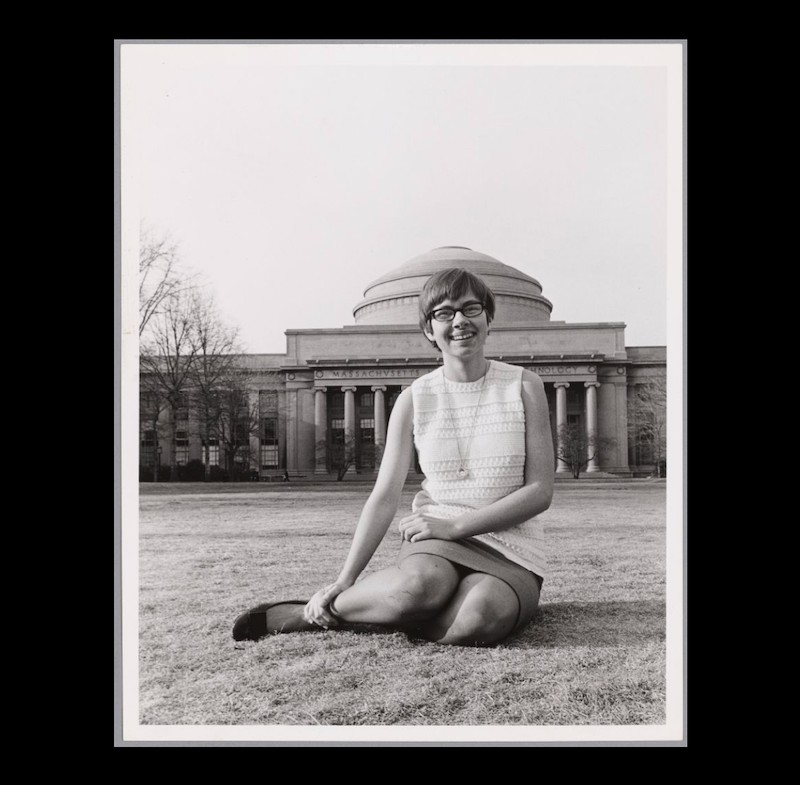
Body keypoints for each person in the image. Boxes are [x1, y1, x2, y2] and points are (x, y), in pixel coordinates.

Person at [233, 268, 554, 647]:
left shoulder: (525, 386)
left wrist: (454, 527)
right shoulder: (414, 399)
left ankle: (386, 616)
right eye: (444, 313)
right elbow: (384, 496)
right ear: (428, 329)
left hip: (510, 547)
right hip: (435, 542)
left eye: (471, 309)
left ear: (488, 318)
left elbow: (539, 491)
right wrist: (345, 578)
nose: (460, 321)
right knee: (417, 587)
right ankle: (313, 612)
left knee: (480, 619)